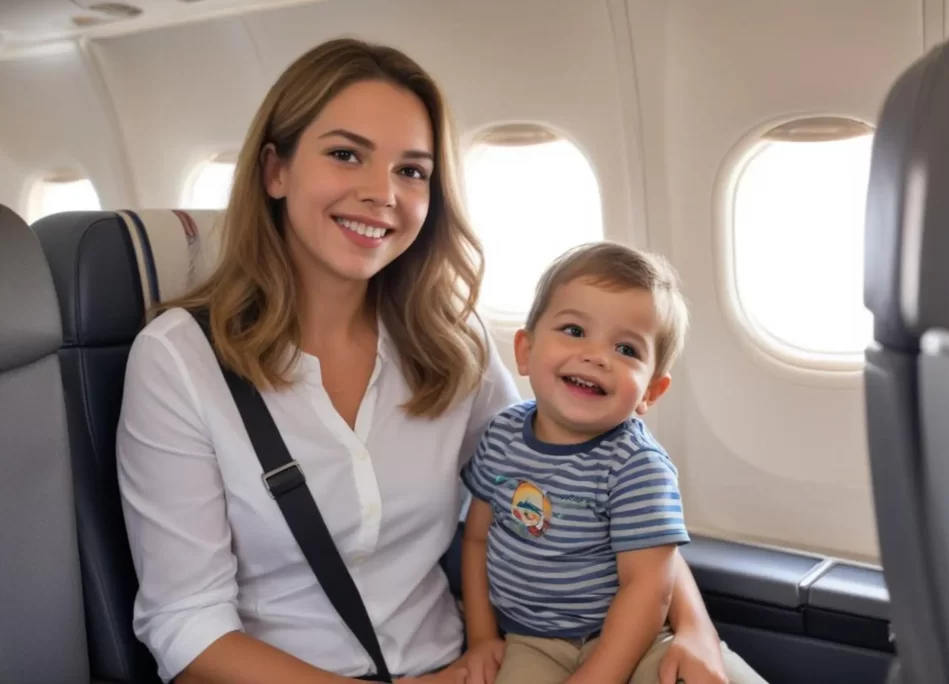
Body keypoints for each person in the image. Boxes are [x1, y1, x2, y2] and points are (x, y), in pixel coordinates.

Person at [115, 37, 739, 684]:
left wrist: (694, 627)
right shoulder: (180, 363)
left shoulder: (448, 338)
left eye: (411, 170)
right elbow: (187, 627)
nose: (381, 192)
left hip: (468, 667)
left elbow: (580, 472)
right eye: (345, 154)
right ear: (276, 170)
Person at [460, 243, 768, 684]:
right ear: (525, 351)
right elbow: (476, 540)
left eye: (626, 349)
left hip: (638, 637)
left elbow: (649, 588)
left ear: (650, 393)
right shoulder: (502, 436)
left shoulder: (636, 466)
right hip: (532, 642)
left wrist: (600, 675)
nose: (597, 356)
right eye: (574, 330)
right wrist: (482, 639)